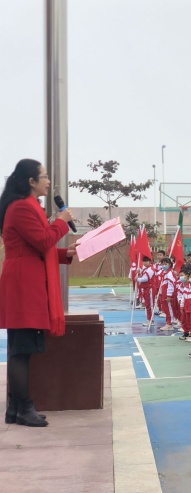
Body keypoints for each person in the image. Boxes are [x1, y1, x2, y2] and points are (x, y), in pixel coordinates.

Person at [0, 159, 76, 427]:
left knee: (22, 348)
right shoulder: (22, 207)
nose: (48, 181)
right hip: (23, 284)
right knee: (22, 349)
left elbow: (38, 248)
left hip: (26, 280)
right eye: (44, 177)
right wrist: (62, 222)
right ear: (31, 182)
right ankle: (24, 409)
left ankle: (15, 409)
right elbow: (43, 240)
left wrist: (65, 253)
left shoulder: (28, 206)